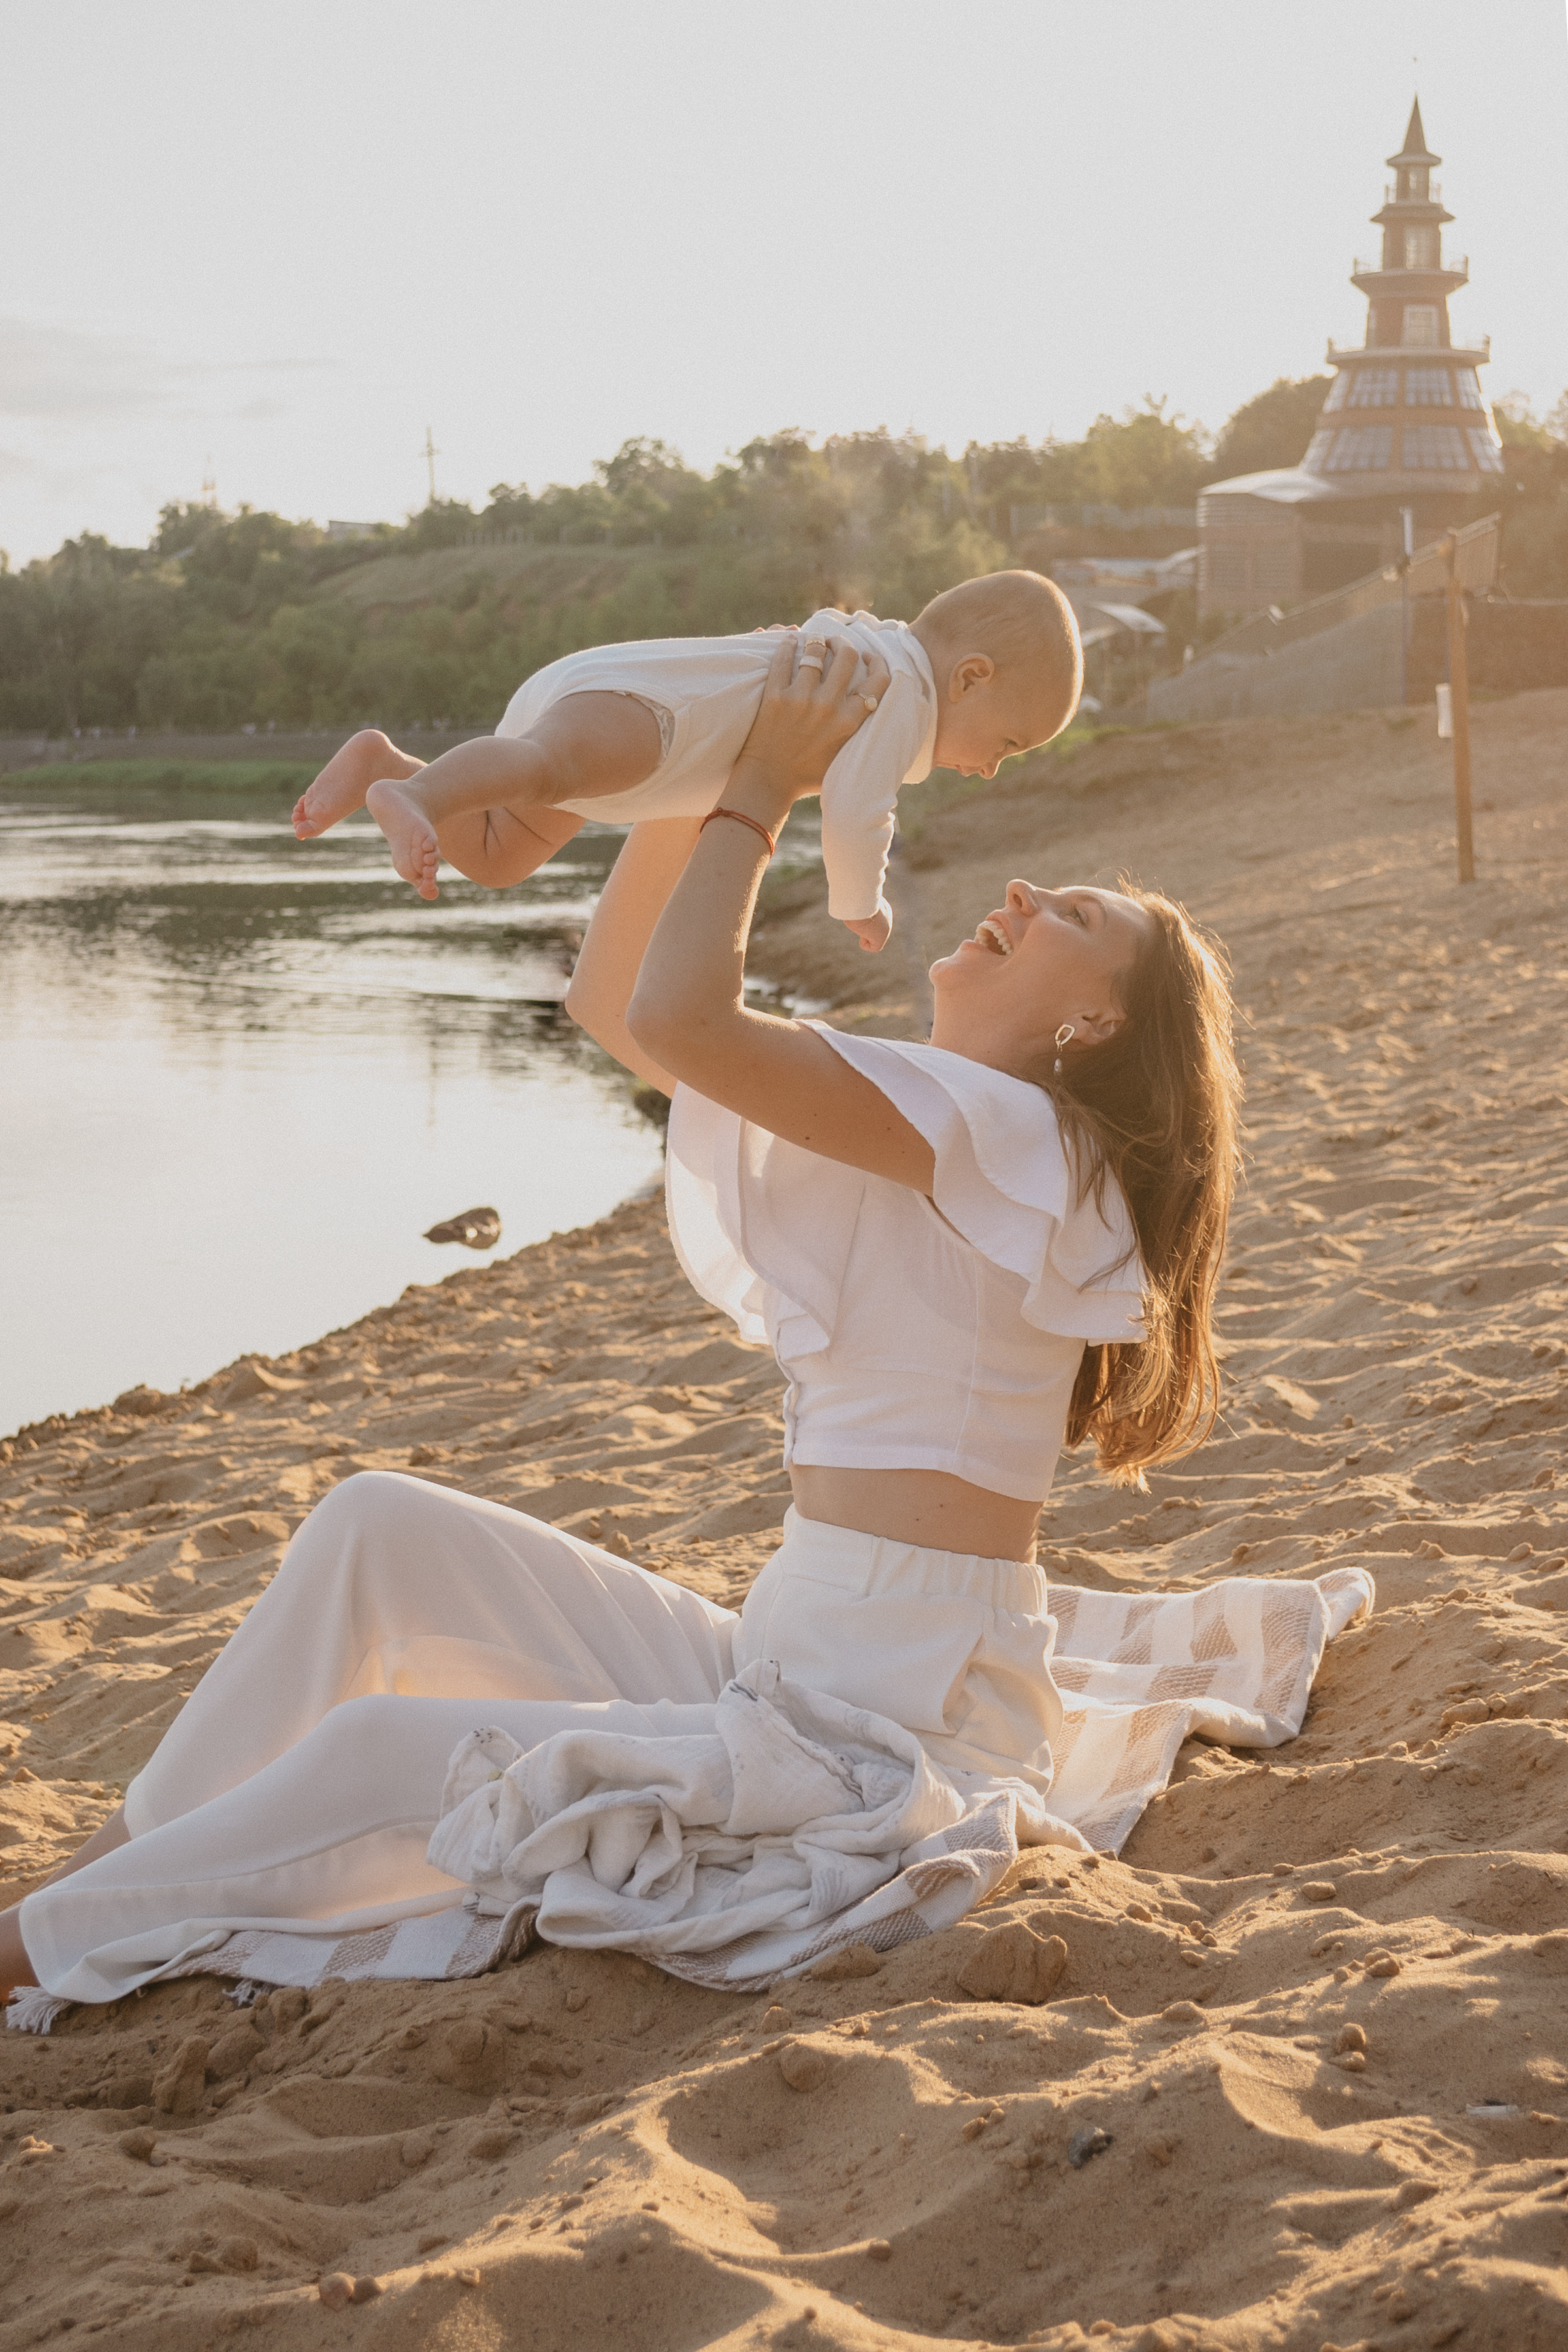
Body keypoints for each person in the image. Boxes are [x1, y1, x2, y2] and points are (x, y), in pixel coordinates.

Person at [1, 636, 1258, 2010]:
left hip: (886, 1723)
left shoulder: (1018, 1132)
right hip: (805, 1654)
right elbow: (618, 1006)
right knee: (377, 1525)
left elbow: (676, 1010)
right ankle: (90, 1881)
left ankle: (36, 1945)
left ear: (1088, 1024)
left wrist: (764, 788)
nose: (1023, 892)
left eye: (1073, 915)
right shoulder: (943, 1119)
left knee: (373, 1756)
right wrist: (698, 767)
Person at [289, 570, 1081, 953]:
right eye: (1007, 746)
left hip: (637, 729)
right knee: (543, 767)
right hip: (657, 717)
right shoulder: (899, 694)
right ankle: (417, 795)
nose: (992, 770)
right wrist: (859, 904)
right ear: (970, 677)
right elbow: (858, 814)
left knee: (499, 855)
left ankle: (381, 763)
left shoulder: (876, 649)